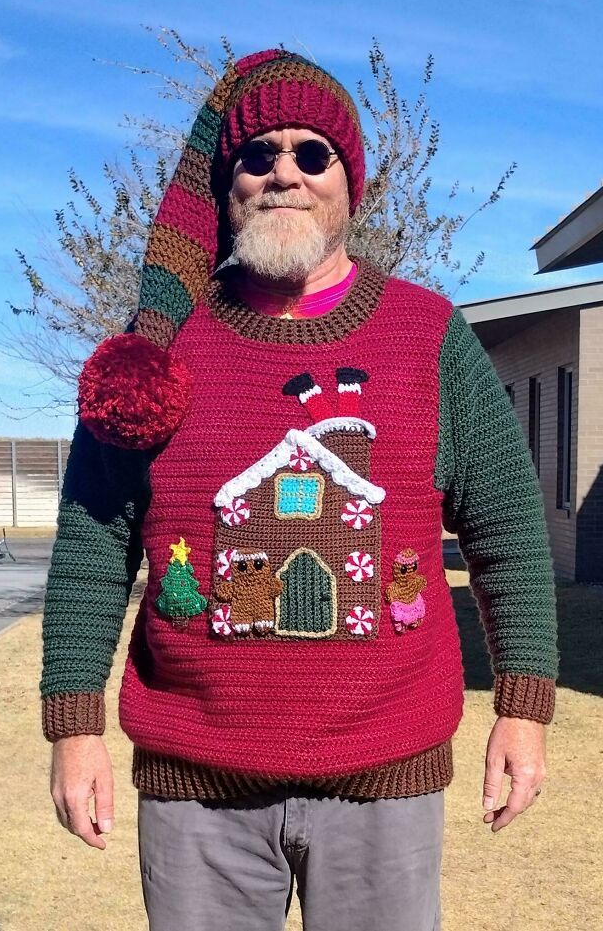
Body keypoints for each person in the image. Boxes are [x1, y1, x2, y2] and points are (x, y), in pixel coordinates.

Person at [41, 50, 558, 931]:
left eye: (312, 153)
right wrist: (73, 725)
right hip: (196, 791)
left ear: (348, 183)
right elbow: (93, 542)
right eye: (259, 154)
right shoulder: (153, 354)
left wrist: (524, 707)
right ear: (226, 185)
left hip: (382, 786)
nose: (285, 169)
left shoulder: (429, 336)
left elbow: (507, 529)